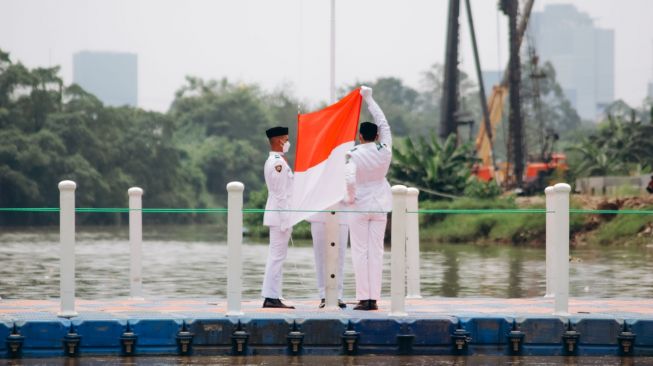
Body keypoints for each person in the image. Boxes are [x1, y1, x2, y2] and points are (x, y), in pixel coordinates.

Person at [343, 86, 392, 311]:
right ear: (377, 136)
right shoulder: (385, 150)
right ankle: (374, 298)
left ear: (360, 136)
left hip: (359, 205)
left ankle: (364, 298)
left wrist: (350, 197)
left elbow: (350, 177)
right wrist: (370, 99)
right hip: (381, 204)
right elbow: (384, 123)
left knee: (360, 252)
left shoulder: (354, 154)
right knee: (377, 252)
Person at [261, 126, 295, 309]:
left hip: (280, 214)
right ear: (279, 140)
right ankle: (271, 297)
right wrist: (285, 220)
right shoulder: (277, 163)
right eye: (286, 139)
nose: (288, 142)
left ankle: (274, 295)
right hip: (279, 215)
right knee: (276, 257)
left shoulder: (278, 160)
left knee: (277, 256)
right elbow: (281, 194)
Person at [307, 211, 348, 309]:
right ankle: (323, 296)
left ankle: (338, 295)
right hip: (319, 215)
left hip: (341, 216)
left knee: (340, 256)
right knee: (320, 257)